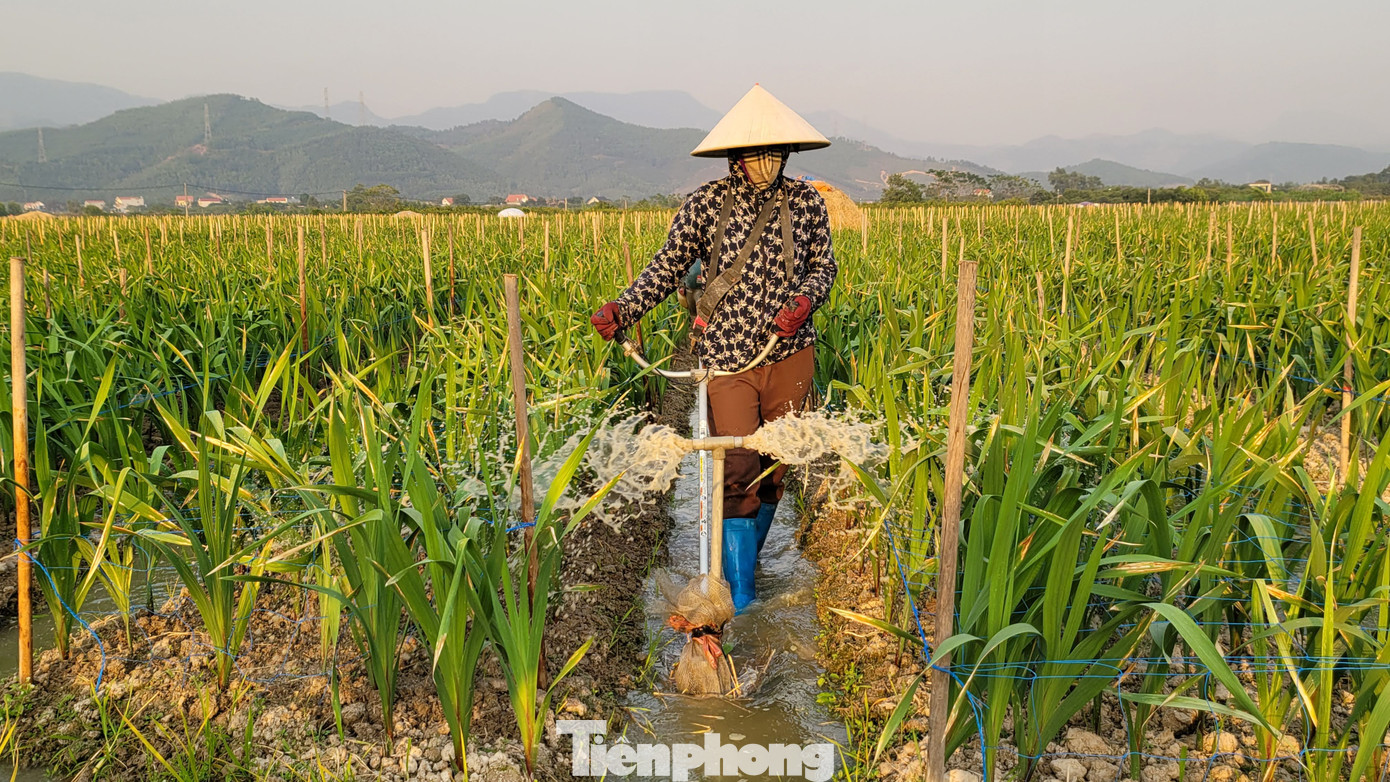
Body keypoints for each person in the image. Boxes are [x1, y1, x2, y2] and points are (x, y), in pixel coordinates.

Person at [590, 84, 837, 612]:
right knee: (735, 469)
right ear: (732, 155)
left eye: (773, 152)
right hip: (726, 357)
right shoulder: (705, 206)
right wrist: (625, 309)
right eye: (753, 152)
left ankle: (742, 566)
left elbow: (824, 267)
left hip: (789, 351)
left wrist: (805, 301)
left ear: (787, 153)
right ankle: (740, 594)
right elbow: (666, 267)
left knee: (776, 467)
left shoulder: (807, 202)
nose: (763, 162)